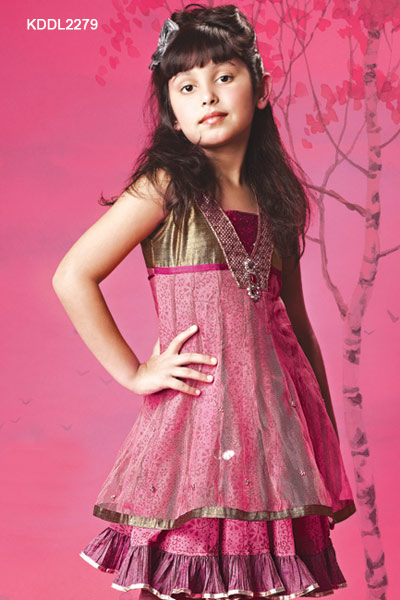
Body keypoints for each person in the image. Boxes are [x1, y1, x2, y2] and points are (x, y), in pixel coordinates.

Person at [52, 3, 356, 598]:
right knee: (188, 580)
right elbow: (73, 276)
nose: (208, 96)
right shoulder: (166, 185)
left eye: (224, 76)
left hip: (274, 439)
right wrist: (136, 372)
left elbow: (294, 325)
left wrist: (321, 432)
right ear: (172, 111)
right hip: (195, 434)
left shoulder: (279, 200)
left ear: (261, 89)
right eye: (187, 86)